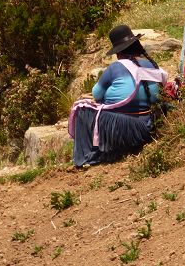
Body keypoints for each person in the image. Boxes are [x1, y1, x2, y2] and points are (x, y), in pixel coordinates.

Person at [68, 24, 169, 168]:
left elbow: (97, 94)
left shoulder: (116, 67)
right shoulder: (151, 65)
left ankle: (89, 156)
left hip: (123, 129)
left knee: (81, 107)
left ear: (118, 51)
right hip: (149, 125)